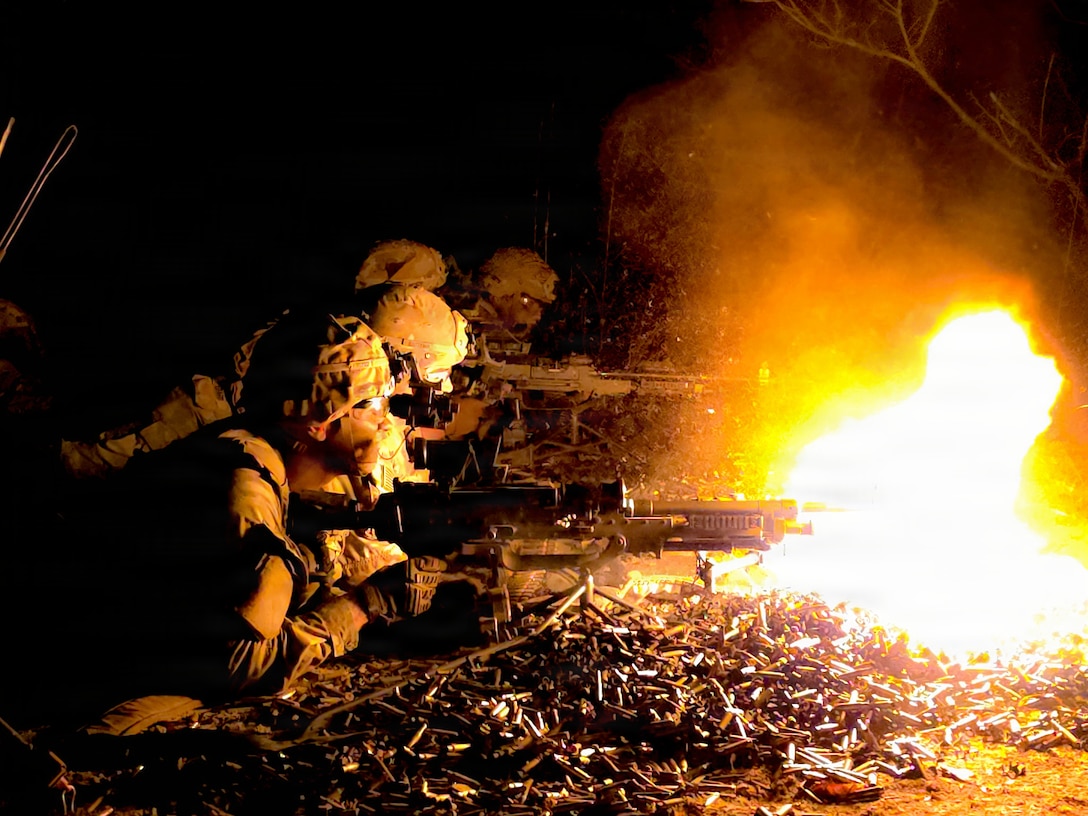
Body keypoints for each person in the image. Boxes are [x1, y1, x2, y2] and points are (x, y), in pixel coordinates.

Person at [40, 311, 431, 719]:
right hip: (99, 686)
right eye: (371, 407)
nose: (386, 423)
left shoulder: (253, 451)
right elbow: (242, 665)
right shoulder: (243, 489)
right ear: (316, 423)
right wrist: (365, 605)